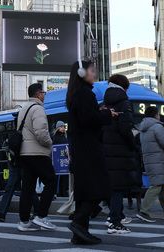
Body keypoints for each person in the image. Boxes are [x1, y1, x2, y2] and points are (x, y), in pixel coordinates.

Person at [66, 60, 115, 245]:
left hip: (81, 149)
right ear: (81, 73)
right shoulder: (85, 94)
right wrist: (107, 114)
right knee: (99, 189)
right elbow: (90, 119)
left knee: (85, 191)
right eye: (92, 70)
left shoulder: (76, 94)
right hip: (89, 149)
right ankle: (78, 223)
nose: (94, 73)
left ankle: (80, 234)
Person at [14, 83, 56, 232]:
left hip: (24, 154)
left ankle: (24, 221)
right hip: (38, 153)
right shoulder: (38, 109)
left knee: (27, 188)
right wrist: (50, 143)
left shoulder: (23, 109)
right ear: (38, 94)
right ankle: (41, 216)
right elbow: (41, 132)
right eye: (43, 92)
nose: (44, 95)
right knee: (51, 181)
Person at [102, 74, 138, 234]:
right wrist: (133, 144)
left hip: (105, 151)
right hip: (120, 151)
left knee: (111, 187)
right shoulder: (124, 103)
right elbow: (126, 129)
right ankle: (115, 222)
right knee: (118, 188)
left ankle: (113, 216)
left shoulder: (103, 105)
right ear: (124, 87)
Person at [136, 106, 164, 223]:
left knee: (161, 185)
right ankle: (144, 211)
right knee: (156, 185)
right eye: (158, 114)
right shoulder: (157, 126)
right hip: (158, 160)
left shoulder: (143, 128)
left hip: (149, 160)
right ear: (155, 115)